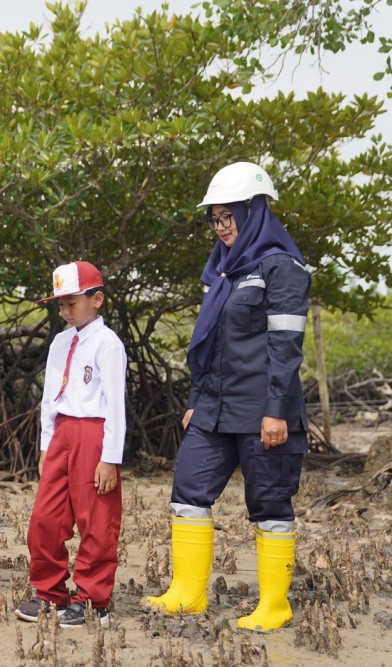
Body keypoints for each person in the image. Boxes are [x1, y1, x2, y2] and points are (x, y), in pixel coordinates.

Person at [143, 162, 311, 632]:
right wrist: (198, 397)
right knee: (188, 491)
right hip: (214, 409)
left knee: (270, 504)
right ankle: (188, 594)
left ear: (254, 211)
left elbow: (285, 349)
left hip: (265, 413)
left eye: (228, 217)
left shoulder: (283, 268)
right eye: (215, 220)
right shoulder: (222, 270)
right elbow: (209, 342)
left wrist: (276, 412)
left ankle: (274, 606)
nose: (222, 228)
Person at [15, 262, 127, 627]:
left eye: (71, 303)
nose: (64, 312)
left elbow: (115, 405)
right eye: (60, 304)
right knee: (46, 518)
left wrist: (110, 457)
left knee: (96, 518)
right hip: (62, 432)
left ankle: (94, 600)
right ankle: (50, 594)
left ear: (97, 299)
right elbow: (50, 398)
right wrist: (47, 444)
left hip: (94, 434)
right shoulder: (61, 341)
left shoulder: (108, 344)